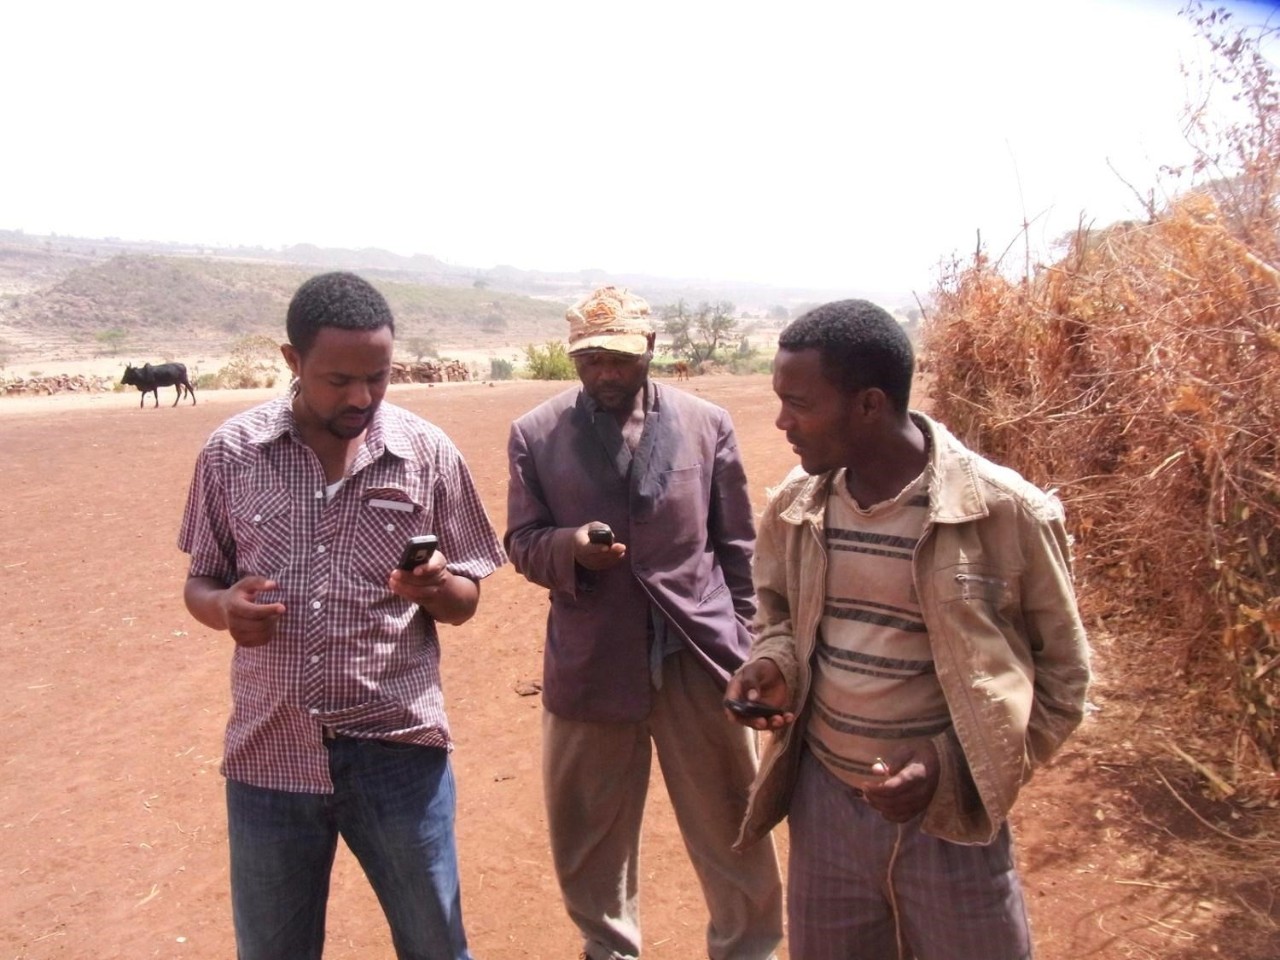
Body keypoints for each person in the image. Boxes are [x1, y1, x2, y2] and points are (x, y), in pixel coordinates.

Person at [727, 299, 1091, 960]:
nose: (783, 422)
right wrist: (773, 664)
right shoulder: (795, 506)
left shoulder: (1007, 513)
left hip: (950, 824)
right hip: (825, 810)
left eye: (799, 403)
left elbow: (1064, 680)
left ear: (869, 405)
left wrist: (952, 764)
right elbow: (776, 614)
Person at [177, 271, 505, 960]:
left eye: (378, 377)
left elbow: (467, 597)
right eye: (338, 379)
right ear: (292, 361)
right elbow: (201, 581)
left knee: (435, 945)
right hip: (269, 753)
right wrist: (223, 609)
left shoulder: (428, 454)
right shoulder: (231, 454)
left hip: (398, 752)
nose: (361, 397)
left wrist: (436, 589)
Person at [505, 286, 783, 960]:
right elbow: (522, 542)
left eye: (620, 359)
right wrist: (572, 547)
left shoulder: (705, 424)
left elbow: (737, 547)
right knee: (588, 833)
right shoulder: (536, 435)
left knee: (731, 821)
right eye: (590, 359)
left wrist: (748, 648)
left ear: (650, 349)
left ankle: (748, 949)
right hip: (593, 660)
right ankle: (609, 948)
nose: (605, 373)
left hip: (697, 652)